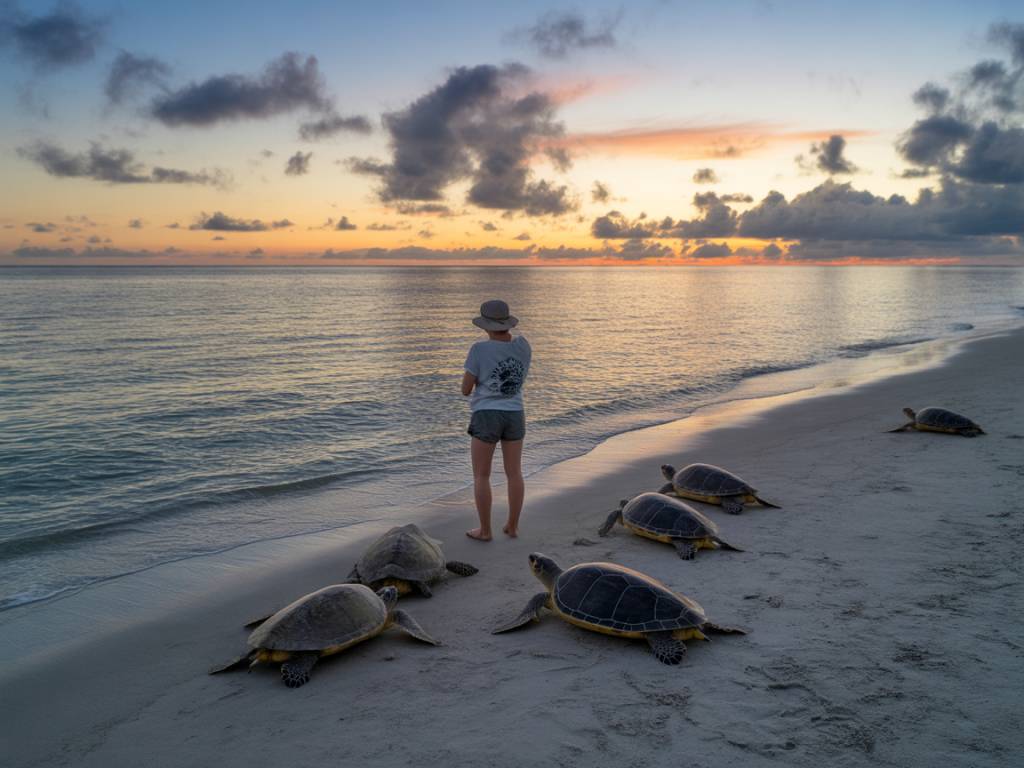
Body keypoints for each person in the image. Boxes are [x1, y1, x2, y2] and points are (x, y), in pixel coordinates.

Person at [461, 299, 531, 541]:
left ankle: (485, 530)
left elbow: (465, 389)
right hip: (515, 413)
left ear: (486, 325)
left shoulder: (479, 350)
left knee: (481, 475)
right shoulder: (523, 346)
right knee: (514, 473)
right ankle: (512, 526)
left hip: (487, 414)